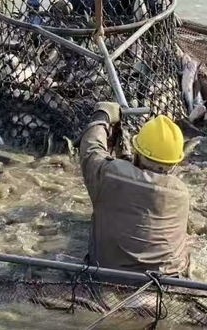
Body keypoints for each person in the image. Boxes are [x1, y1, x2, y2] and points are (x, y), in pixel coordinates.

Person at [79, 102, 190, 275]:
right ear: (175, 163)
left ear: (138, 153)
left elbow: (91, 150)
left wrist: (102, 115)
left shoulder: (111, 174)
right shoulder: (182, 192)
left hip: (108, 276)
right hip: (169, 279)